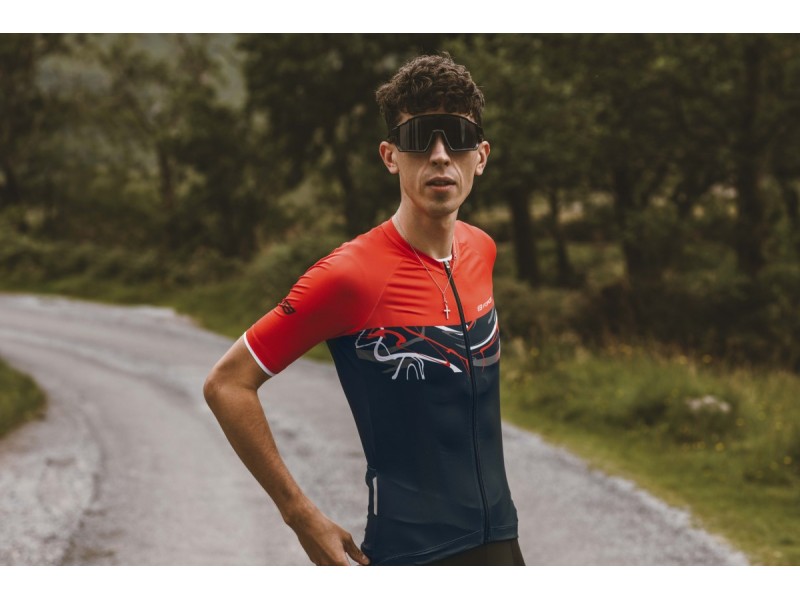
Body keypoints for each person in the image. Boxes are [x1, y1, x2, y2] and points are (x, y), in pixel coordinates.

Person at [204, 52, 523, 566]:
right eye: (419, 137)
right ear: (390, 156)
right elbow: (227, 384)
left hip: (502, 545)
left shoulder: (480, 249)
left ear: (480, 156)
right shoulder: (349, 276)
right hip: (410, 555)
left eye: (457, 137)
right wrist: (299, 514)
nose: (440, 155)